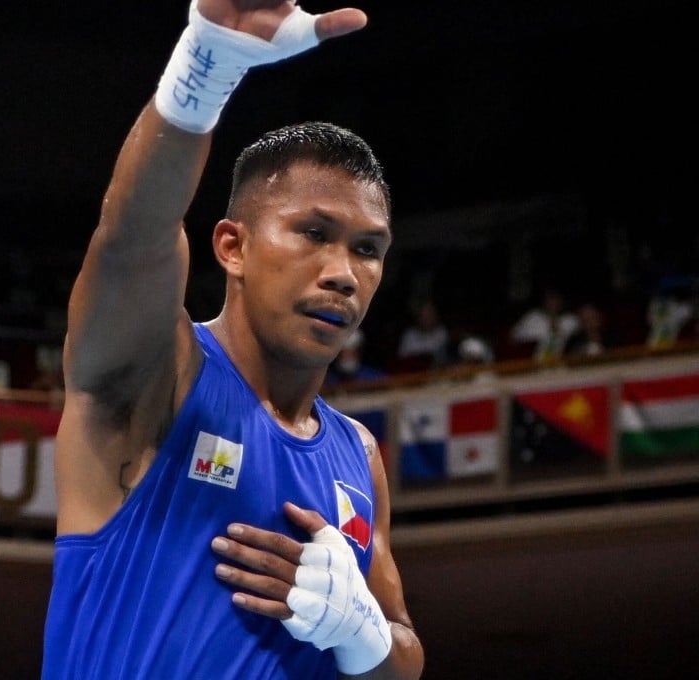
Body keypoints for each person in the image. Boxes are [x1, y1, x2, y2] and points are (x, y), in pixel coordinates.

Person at [41, 2, 424, 679]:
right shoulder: (159, 376)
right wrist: (206, 63)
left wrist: (361, 632)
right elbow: (133, 241)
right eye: (313, 233)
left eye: (368, 249)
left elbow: (404, 651)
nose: (343, 273)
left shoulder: (358, 457)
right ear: (232, 246)